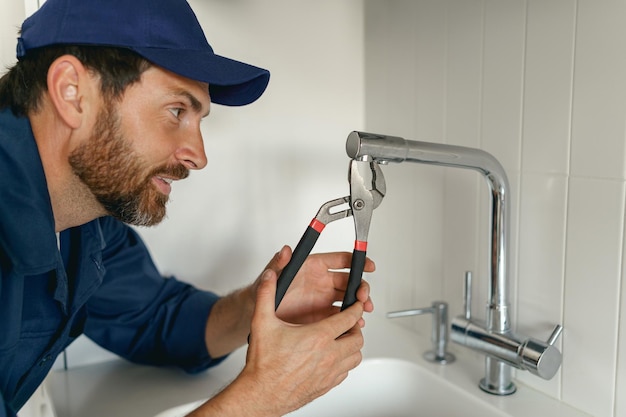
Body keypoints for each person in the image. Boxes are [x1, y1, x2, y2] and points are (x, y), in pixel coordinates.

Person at [0, 0, 375, 416]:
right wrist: (261, 396)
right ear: (71, 92)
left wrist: (260, 303)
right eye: (177, 110)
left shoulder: (86, 222)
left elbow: (157, 320)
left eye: (200, 119)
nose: (198, 155)